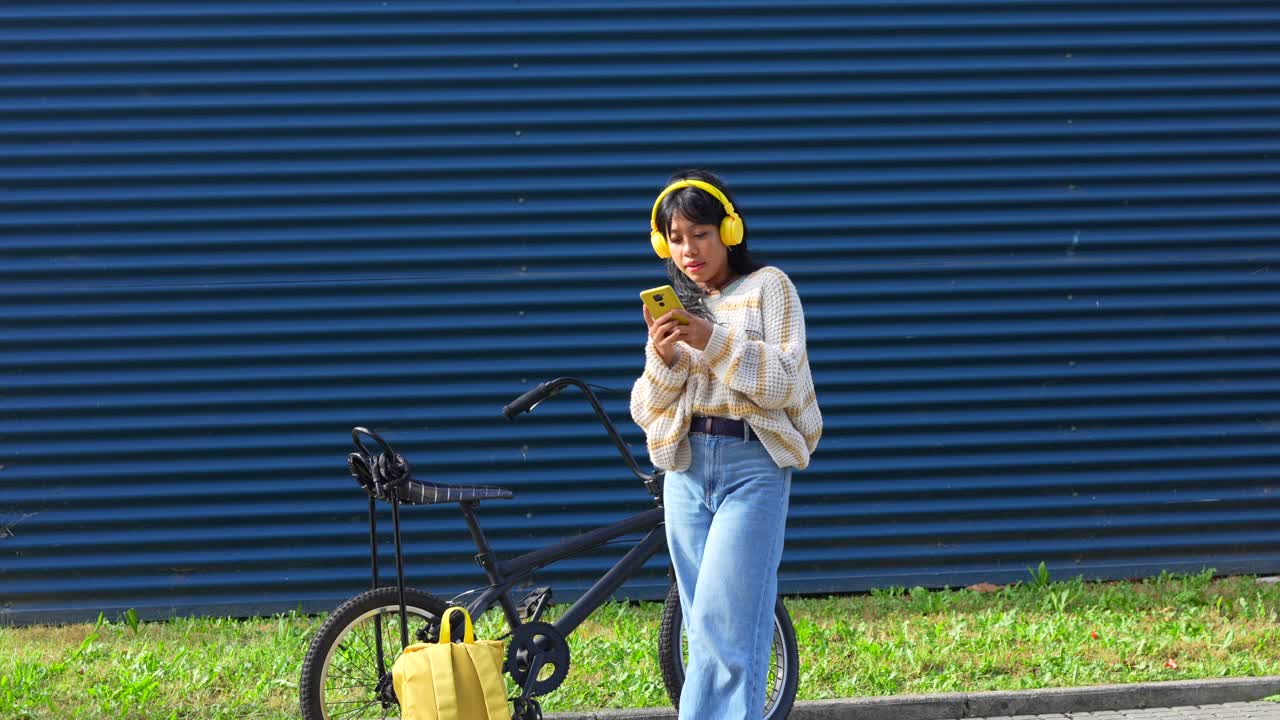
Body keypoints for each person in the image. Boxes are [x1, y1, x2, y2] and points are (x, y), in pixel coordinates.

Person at [630, 169, 822, 719]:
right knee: (703, 626)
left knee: (725, 622)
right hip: (685, 472)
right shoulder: (677, 310)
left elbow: (785, 382)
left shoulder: (770, 288)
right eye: (676, 238)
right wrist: (664, 360)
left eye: (701, 235)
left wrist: (710, 340)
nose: (688, 250)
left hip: (751, 465)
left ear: (730, 232)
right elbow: (647, 409)